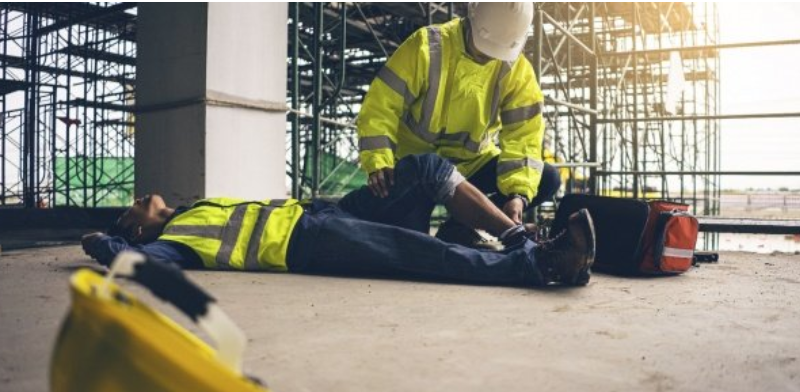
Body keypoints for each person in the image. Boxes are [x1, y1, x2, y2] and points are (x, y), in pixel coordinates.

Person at [82, 154, 595, 287]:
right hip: (307, 243)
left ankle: (514, 236)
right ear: (139, 227)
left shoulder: (193, 209)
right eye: (130, 210)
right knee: (418, 254)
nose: (140, 196)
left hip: (319, 213)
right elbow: (134, 261)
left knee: (421, 171)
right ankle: (540, 265)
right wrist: (103, 241)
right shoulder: (173, 242)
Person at [357, 3, 559, 247]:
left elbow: (524, 136)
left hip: (473, 166)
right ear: (471, 19)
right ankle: (447, 223)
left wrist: (517, 195)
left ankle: (461, 227)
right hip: (419, 169)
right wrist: (379, 160)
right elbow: (381, 105)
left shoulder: (517, 71)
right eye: (485, 50)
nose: (490, 57)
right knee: (413, 243)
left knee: (548, 178)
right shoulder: (427, 47)